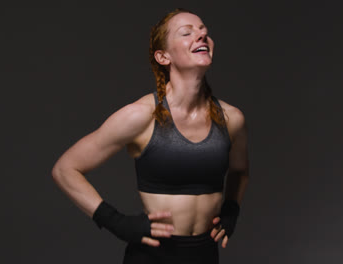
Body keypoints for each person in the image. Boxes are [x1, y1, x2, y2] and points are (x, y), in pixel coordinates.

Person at [51, 7, 249, 264]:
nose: (201, 36)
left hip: (205, 255)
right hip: (152, 256)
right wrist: (116, 222)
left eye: (204, 32)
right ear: (163, 56)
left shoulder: (232, 119)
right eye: (186, 33)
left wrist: (232, 209)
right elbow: (65, 169)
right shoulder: (141, 116)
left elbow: (240, 171)